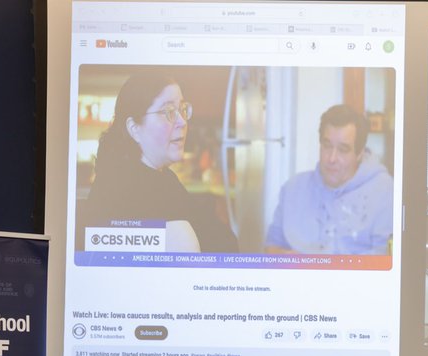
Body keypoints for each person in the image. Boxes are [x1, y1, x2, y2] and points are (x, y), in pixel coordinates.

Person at [84, 68, 238, 253]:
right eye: (168, 111)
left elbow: (223, 240)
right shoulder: (125, 189)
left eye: (182, 109)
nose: (182, 121)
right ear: (134, 129)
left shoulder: (163, 178)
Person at [265, 104, 394, 255]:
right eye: (327, 146)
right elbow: (271, 246)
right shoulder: (292, 188)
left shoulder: (386, 191)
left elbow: (385, 259)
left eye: (343, 150)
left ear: (360, 153)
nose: (332, 159)